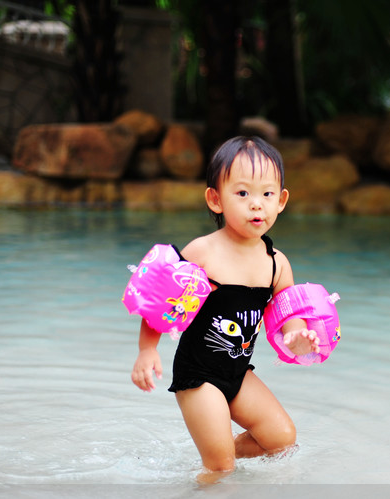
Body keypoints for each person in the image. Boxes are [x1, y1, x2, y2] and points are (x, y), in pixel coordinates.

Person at [130, 136, 320, 483]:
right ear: (215, 200)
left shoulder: (277, 265)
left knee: (281, 439)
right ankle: (213, 466)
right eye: (243, 193)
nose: (256, 205)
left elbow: (287, 317)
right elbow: (160, 303)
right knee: (222, 470)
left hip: (237, 371)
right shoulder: (203, 252)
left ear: (282, 200)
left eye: (267, 194)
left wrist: (298, 338)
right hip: (198, 374)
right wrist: (147, 349)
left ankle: (216, 451)